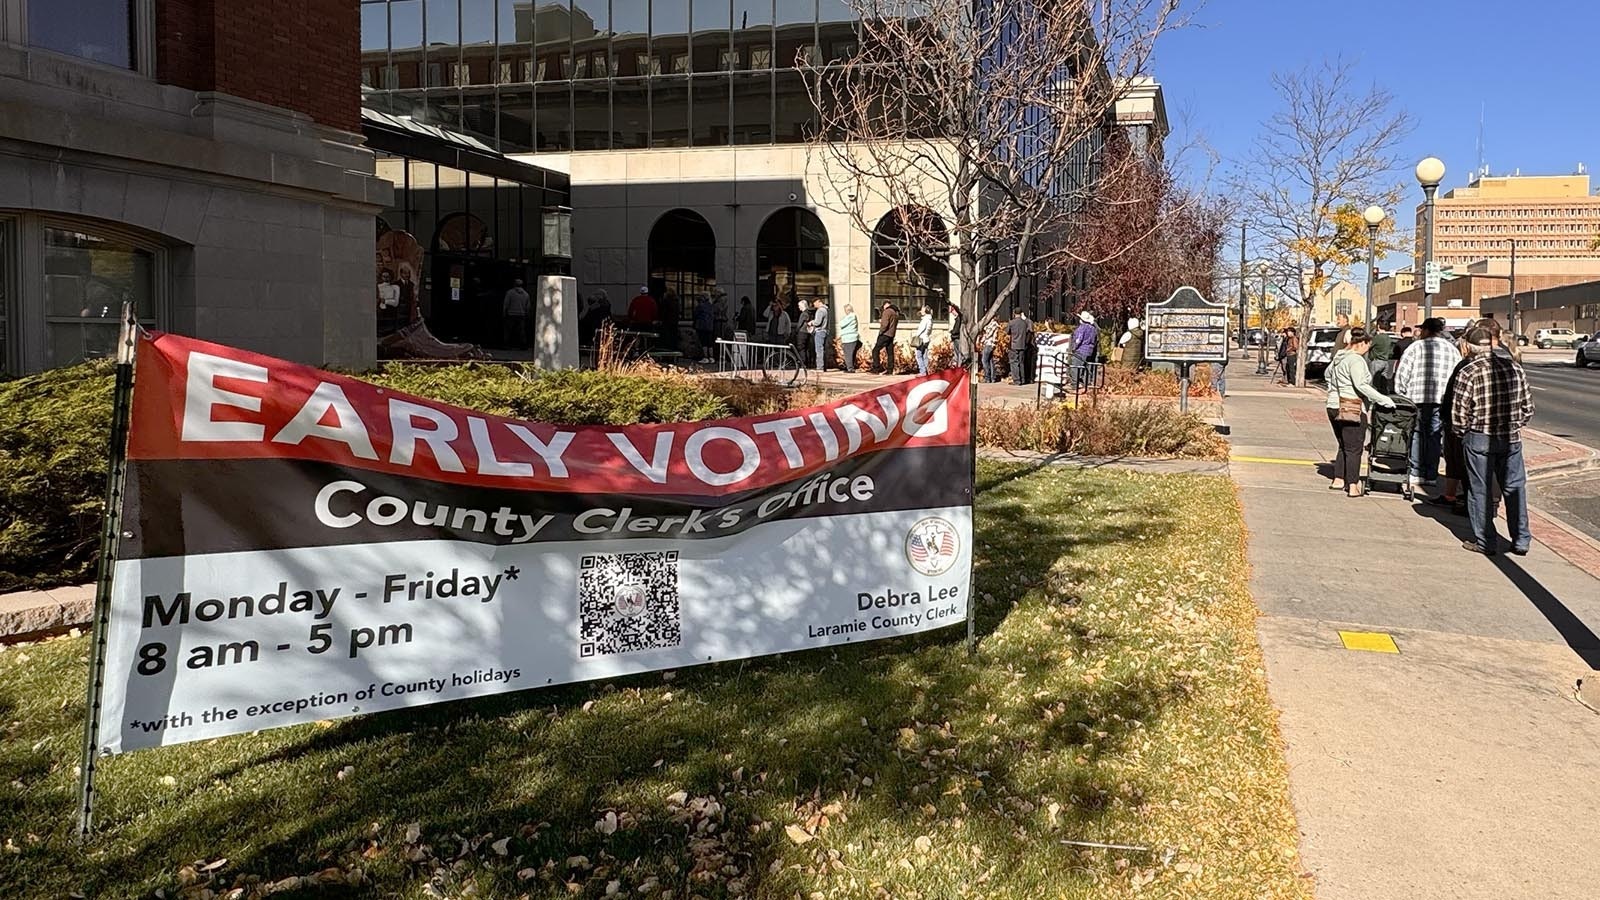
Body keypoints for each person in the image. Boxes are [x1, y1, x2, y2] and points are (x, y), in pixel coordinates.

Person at [1452, 326, 1535, 555]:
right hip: (1510, 438)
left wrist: (1462, 432)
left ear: (1469, 346)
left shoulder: (1468, 372)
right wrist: (1515, 424)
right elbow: (1528, 408)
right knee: (1514, 487)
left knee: (1480, 491)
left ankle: (1486, 541)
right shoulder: (1514, 368)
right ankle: (1521, 539)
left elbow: (1459, 414)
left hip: (1479, 437)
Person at [1326, 327, 1396, 497]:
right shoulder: (1356, 360)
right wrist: (1384, 399)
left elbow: (1327, 375)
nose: (1367, 350)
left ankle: (1338, 479)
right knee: (1354, 448)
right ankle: (1353, 485)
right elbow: (1361, 385)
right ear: (1361, 343)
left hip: (1333, 405)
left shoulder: (1338, 357)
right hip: (1352, 407)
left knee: (1343, 444)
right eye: (1367, 346)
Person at [1393, 317, 1462, 490]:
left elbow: (1402, 373)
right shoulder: (1452, 349)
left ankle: (1416, 472)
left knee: (1416, 434)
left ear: (1425, 330)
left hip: (1416, 398)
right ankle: (1431, 473)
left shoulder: (1415, 347)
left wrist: (1400, 393)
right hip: (1441, 400)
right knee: (1434, 436)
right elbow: (1458, 375)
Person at [1069, 311, 1098, 390]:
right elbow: (1095, 340)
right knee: (1087, 368)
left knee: (1076, 367)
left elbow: (1078, 340)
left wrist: (1074, 348)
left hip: (1081, 350)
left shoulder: (1081, 328)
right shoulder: (1093, 329)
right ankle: (1086, 383)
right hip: (1090, 351)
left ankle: (1075, 384)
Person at [1368, 317, 1397, 391]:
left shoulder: (1378, 337)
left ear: (1378, 326)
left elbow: (1369, 345)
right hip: (1385, 361)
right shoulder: (1388, 338)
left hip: (1377, 361)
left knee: (1374, 382)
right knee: (1383, 381)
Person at [501, 278, 531, 349]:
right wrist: (527, 314)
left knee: (508, 331)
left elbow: (506, 304)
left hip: (511, 314)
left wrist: (504, 312)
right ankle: (523, 345)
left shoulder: (510, 293)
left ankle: (507, 345)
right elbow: (528, 307)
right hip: (521, 314)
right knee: (521, 331)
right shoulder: (526, 294)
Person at [1007, 308, 1033, 385]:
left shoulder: (1011, 322)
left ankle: (1017, 380)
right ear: (1021, 313)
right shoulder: (1025, 323)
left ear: (1014, 313)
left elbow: (1007, 332)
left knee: (1014, 362)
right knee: (1021, 362)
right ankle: (1023, 379)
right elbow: (1029, 331)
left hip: (1014, 345)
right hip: (1022, 344)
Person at [872, 301, 900, 373]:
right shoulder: (895, 313)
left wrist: (881, 332)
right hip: (891, 335)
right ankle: (890, 369)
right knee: (890, 352)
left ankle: (876, 368)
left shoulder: (887, 312)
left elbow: (885, 324)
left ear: (885, 305)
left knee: (875, 350)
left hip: (885, 334)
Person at [806, 298, 831, 371]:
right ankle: (824, 366)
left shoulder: (820, 310)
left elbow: (818, 322)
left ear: (818, 301)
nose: (814, 305)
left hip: (820, 331)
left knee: (819, 350)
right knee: (823, 350)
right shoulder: (827, 310)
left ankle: (820, 367)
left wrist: (811, 322)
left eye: (814, 303)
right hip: (825, 331)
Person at [693, 294, 716, 363]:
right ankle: (711, 358)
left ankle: (705, 357)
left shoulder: (700, 306)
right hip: (710, 326)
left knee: (704, 342)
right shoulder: (711, 306)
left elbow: (695, 315)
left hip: (702, 326)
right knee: (710, 343)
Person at [912, 304, 934, 375]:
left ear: (925, 311)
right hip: (926, 339)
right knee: (924, 355)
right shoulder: (930, 320)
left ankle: (922, 371)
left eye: (922, 309)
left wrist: (916, 335)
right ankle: (926, 370)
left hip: (921, 339)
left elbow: (921, 329)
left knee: (919, 355)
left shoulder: (925, 320)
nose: (921, 311)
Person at [838, 304, 861, 372]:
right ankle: (850, 367)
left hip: (849, 338)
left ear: (847, 310)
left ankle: (850, 368)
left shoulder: (851, 316)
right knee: (850, 354)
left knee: (848, 354)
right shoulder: (852, 316)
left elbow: (841, 324)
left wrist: (842, 319)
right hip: (850, 338)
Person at [979, 316, 1001, 383]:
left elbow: (988, 334)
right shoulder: (995, 324)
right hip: (991, 344)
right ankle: (993, 377)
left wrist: (982, 340)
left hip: (988, 344)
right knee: (990, 361)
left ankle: (987, 377)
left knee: (984, 360)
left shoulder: (993, 324)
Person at [948, 301, 967, 368]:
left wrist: (953, 333)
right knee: (956, 353)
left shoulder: (959, 318)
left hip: (957, 337)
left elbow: (957, 330)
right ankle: (956, 365)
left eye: (952, 311)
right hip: (955, 337)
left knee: (959, 353)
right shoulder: (957, 319)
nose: (952, 313)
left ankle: (959, 366)